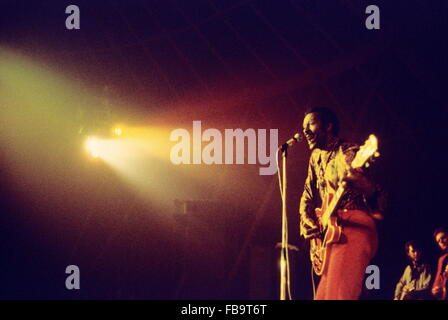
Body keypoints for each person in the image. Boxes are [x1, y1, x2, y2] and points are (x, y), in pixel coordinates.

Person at [299, 107, 384, 300]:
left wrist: (351, 175)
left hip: (354, 226)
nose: (305, 131)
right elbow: (307, 194)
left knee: (339, 295)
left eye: (310, 124)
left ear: (328, 126)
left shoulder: (349, 151)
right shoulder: (315, 158)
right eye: (303, 127)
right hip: (331, 235)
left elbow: (375, 195)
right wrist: (307, 221)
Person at [431, 227, 448, 300]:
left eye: (443, 238)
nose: (441, 242)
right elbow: (437, 281)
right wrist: (434, 289)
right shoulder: (442, 260)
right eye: (438, 241)